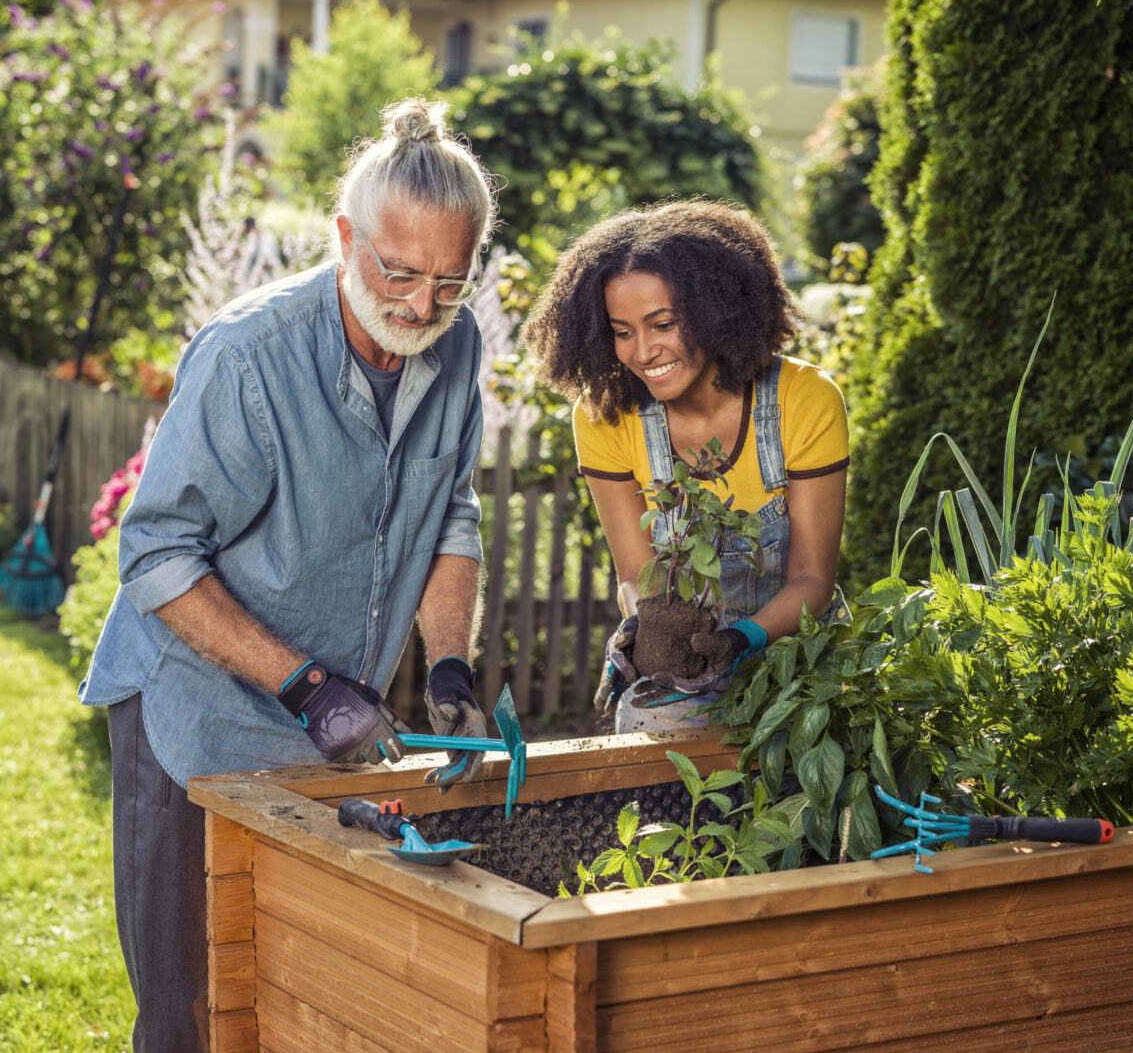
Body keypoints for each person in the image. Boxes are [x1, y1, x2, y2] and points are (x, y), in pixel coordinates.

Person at [77, 98, 498, 1052]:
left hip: (326, 725)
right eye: (398, 270)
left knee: (296, 988)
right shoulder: (248, 358)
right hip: (189, 709)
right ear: (344, 235)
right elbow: (155, 553)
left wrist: (447, 669)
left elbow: (451, 509)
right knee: (189, 1006)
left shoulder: (453, 345)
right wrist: (306, 684)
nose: (421, 305)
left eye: (450, 280)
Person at [524, 200, 849, 734]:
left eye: (664, 324)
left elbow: (812, 579)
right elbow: (635, 573)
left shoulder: (803, 400)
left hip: (801, 669)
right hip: (683, 674)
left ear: (715, 310)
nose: (643, 351)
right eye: (621, 331)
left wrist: (740, 640)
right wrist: (642, 622)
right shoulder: (606, 418)